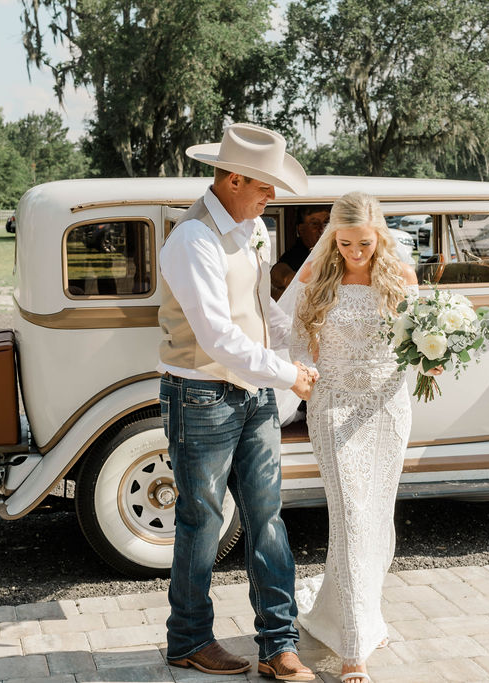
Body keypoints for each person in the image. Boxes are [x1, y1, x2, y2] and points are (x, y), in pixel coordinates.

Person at [158, 122, 317, 681]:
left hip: (252, 395)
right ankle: (189, 640)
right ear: (231, 178)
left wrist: (302, 347)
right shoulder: (193, 238)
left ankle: (279, 644)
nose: (272, 197)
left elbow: (261, 307)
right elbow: (216, 337)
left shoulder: (251, 228)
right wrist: (287, 374)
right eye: (264, 186)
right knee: (201, 521)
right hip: (200, 394)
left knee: (268, 516)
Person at [291, 191, 419, 683]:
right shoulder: (315, 277)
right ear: (332, 238)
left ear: (378, 236)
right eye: (344, 244)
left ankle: (364, 618)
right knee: (349, 517)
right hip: (334, 402)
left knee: (376, 518)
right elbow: (294, 340)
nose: (354, 253)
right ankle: (352, 652)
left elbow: (417, 343)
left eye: (363, 244)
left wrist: (434, 354)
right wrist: (302, 371)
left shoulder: (401, 278)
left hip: (387, 408)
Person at [270, 208, 329, 299]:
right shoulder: (296, 254)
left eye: (326, 222)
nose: (322, 229)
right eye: (314, 224)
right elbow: (277, 271)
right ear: (301, 229)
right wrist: (289, 278)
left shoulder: (342, 250)